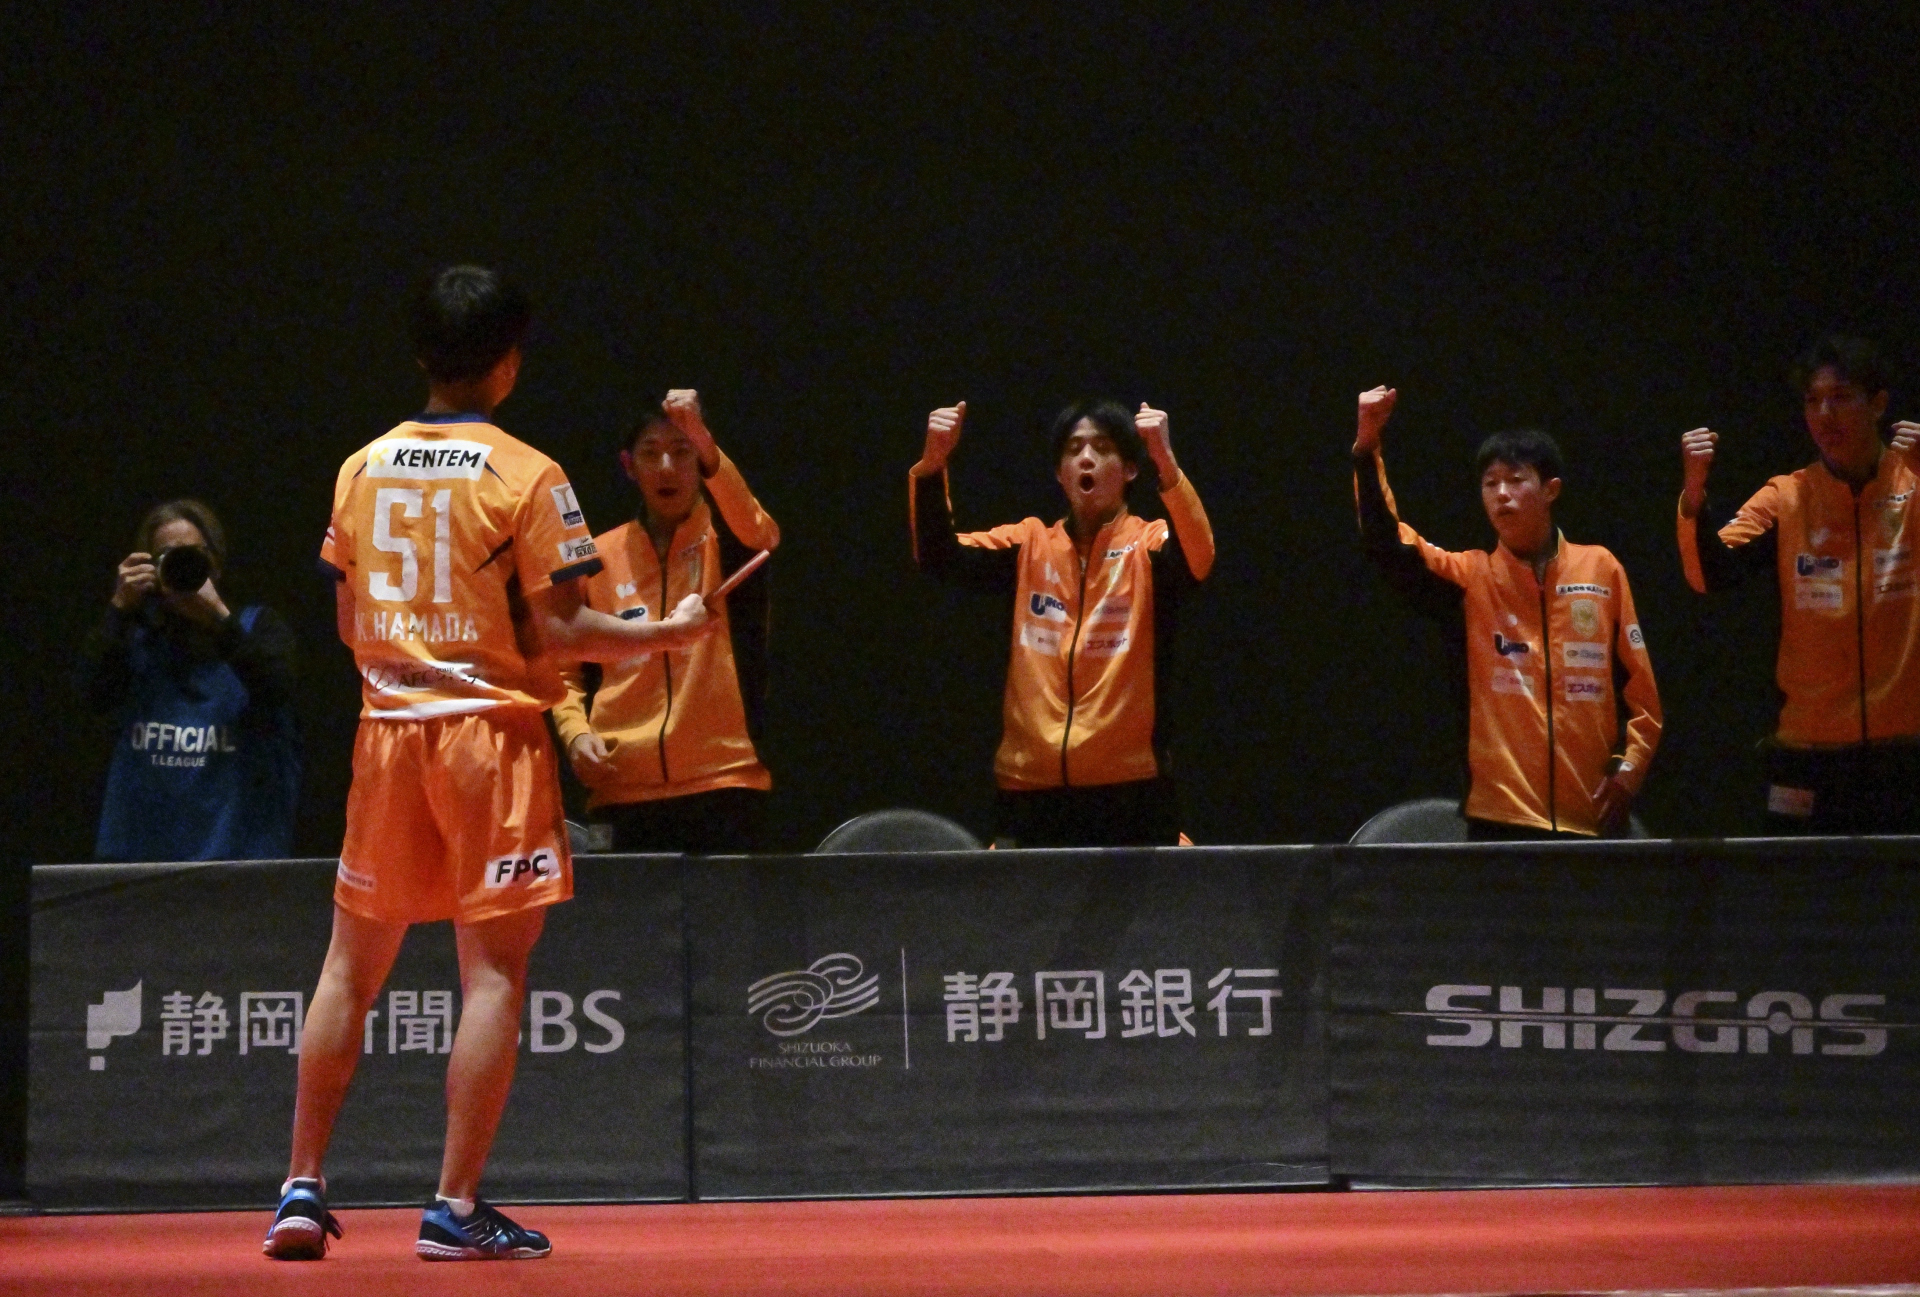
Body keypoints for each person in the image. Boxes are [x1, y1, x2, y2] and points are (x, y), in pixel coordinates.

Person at [267, 266, 714, 1263]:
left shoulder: (360, 467)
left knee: (348, 967)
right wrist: (668, 634)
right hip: (491, 741)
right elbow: (564, 635)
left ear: (422, 354)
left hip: (389, 732)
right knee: (494, 975)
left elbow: (347, 620)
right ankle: (453, 1206)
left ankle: (300, 1186)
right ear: (508, 361)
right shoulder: (528, 474)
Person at [1352, 386, 1662, 838]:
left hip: (1593, 824)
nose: (1502, 494)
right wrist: (1367, 448)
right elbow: (1386, 542)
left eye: (1516, 480)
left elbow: (1642, 695)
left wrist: (1628, 771)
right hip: (1499, 824)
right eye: (1490, 483)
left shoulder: (1602, 569)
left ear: (1551, 489)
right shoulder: (1468, 578)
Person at [910, 398, 1214, 847]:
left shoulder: (1149, 545)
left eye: (1102, 448)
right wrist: (933, 465)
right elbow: (939, 556)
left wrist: (1166, 463)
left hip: (1131, 795)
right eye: (1074, 449)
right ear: (1059, 473)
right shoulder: (1028, 545)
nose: (1086, 457)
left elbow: (1199, 559)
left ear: (1131, 469)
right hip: (1029, 793)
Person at [1677, 334, 1920, 833]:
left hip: (1906, 755)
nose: (1824, 415)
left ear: (1878, 404)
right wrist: (1694, 496)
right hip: (1808, 756)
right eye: (1813, 401)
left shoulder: (1915, 484)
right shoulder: (1786, 497)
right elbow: (1709, 574)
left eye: (1841, 397)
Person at [550, 390, 778, 852]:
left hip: (724, 783)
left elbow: (761, 532)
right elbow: (563, 663)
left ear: (702, 460)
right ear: (628, 465)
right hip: (622, 788)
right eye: (651, 454)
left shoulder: (731, 541)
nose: (667, 467)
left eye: (682, 451)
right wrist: (575, 733)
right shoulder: (595, 556)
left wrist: (702, 437)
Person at [82, 499, 300, 861]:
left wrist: (219, 618)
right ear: (149, 568)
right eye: (167, 557)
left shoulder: (257, 629)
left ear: (216, 562)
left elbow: (278, 690)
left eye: (194, 555)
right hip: (140, 868)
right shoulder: (132, 639)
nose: (182, 565)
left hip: (240, 867)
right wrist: (118, 609)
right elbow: (90, 697)